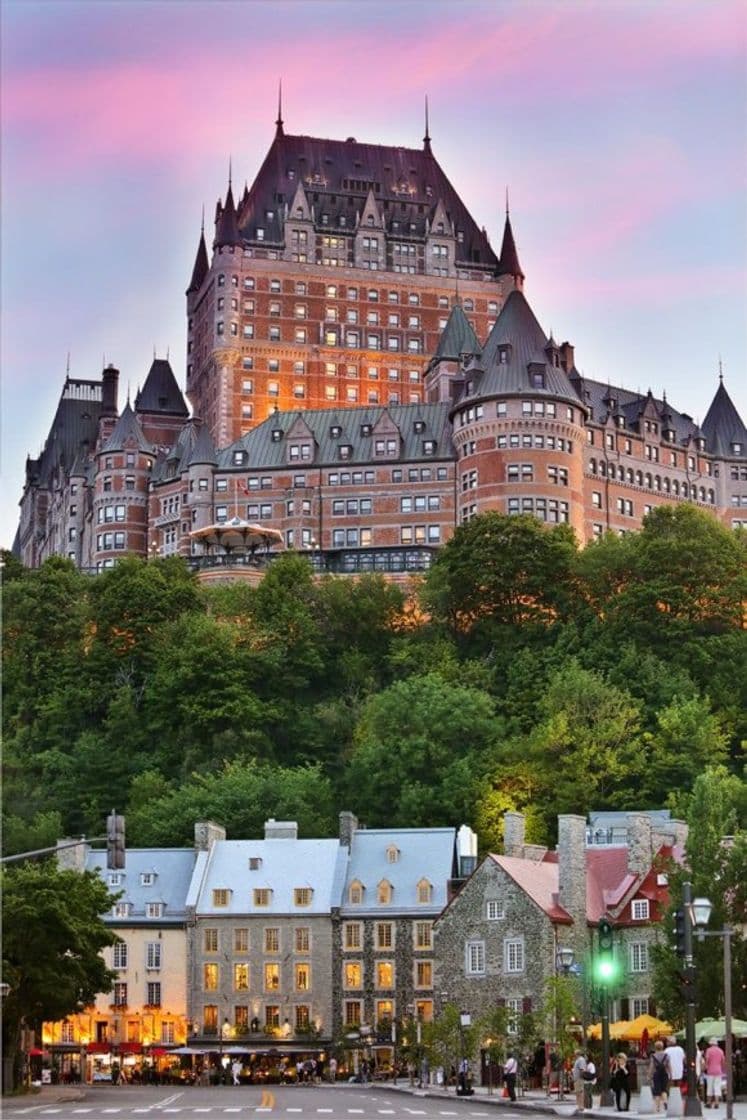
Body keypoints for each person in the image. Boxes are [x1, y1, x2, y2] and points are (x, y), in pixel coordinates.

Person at [703, 1038, 726, 1108]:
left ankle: (709, 1102)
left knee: (709, 1087)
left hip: (710, 1071)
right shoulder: (721, 1051)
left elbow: (707, 1060)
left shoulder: (708, 1050)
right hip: (718, 1071)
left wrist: (705, 1067)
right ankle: (717, 1103)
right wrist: (722, 1068)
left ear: (711, 1043)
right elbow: (723, 1062)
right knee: (717, 1087)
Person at [650, 1040, 670, 1113]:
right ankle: (665, 1101)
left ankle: (658, 1108)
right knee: (664, 1090)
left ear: (655, 1047)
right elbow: (669, 1065)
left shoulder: (653, 1056)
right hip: (664, 1074)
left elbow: (652, 1066)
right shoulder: (666, 1055)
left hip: (657, 1074)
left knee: (657, 1091)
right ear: (662, 1047)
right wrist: (671, 1073)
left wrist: (649, 1075)